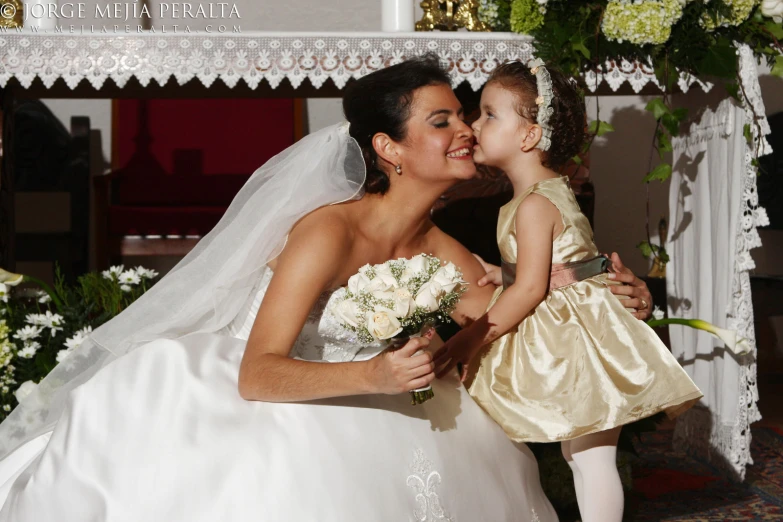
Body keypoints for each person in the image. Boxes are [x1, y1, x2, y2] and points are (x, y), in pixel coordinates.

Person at [0, 56, 652, 522]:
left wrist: (609, 293)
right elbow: (257, 376)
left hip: (380, 387)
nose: (464, 132)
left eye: (464, 116)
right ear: (388, 149)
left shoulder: (439, 247)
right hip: (272, 386)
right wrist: (373, 374)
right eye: (440, 121)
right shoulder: (326, 233)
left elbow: (515, 309)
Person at [433, 59, 703, 522]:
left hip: (580, 341)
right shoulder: (540, 194)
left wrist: (464, 343)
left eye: (489, 114)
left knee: (591, 458)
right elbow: (558, 264)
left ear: (529, 136)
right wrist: (504, 273)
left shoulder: (534, 203)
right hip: (581, 331)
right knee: (582, 456)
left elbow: (533, 289)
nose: (475, 125)